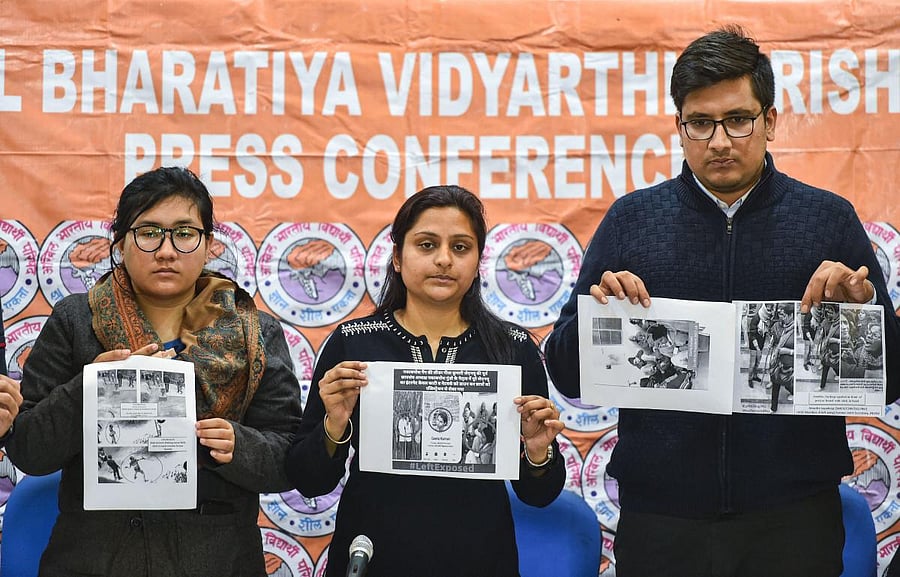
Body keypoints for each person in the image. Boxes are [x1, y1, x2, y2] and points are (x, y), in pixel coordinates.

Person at [544, 25, 899, 577]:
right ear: (679, 126)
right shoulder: (632, 222)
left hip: (794, 519)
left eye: (738, 119)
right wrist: (600, 319)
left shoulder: (828, 220)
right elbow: (565, 372)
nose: (719, 141)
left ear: (771, 121)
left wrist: (859, 318)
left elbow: (891, 379)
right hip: (661, 520)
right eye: (701, 123)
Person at [3, 166, 302, 577]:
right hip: (96, 559)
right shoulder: (76, 321)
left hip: (216, 559)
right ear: (122, 243)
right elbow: (30, 451)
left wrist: (240, 446)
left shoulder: (257, 332)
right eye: (148, 232)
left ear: (208, 244)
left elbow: (291, 459)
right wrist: (85, 389)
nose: (166, 250)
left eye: (184, 233)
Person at [285, 185, 565, 577]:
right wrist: (333, 425)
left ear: (479, 261)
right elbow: (309, 480)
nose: (444, 260)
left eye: (461, 247)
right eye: (427, 245)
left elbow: (540, 494)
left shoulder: (513, 349)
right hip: (372, 555)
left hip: (481, 556)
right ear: (398, 258)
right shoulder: (353, 343)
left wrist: (537, 451)